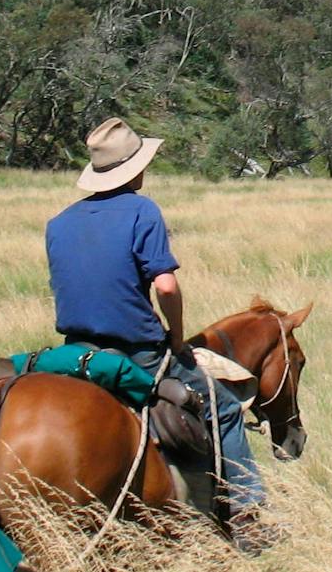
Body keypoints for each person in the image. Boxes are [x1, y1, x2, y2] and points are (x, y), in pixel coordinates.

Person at [45, 116, 267, 528]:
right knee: (226, 410)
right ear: (135, 167)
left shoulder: (59, 223)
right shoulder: (142, 211)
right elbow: (165, 287)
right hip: (137, 351)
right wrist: (177, 337)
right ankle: (247, 509)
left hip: (74, 351)